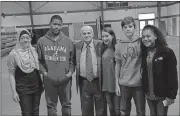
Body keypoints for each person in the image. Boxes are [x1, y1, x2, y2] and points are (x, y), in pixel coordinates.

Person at [36, 15, 75, 116]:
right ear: (50, 24)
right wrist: (45, 73)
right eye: (54, 24)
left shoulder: (68, 41)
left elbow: (72, 60)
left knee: (66, 105)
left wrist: (70, 73)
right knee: (51, 106)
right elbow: (38, 61)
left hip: (65, 80)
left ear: (61, 26)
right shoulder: (41, 41)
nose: (56, 26)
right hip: (49, 80)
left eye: (59, 24)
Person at [141, 25, 178, 116]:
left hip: (162, 95)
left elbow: (172, 75)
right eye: (143, 37)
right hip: (149, 94)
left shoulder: (167, 52)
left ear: (156, 36)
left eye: (148, 36)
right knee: (152, 113)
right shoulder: (144, 52)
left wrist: (171, 95)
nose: (145, 39)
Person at [7, 29, 43, 116]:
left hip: (36, 86)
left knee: (35, 112)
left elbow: (38, 69)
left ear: (30, 39)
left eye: (27, 37)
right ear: (19, 39)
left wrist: (42, 83)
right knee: (26, 113)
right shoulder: (13, 54)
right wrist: (14, 92)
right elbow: (11, 74)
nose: (25, 40)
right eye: (22, 38)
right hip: (23, 88)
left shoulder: (33, 51)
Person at [115, 16, 145, 116]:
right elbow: (118, 64)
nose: (128, 29)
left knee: (140, 111)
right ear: (122, 29)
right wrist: (116, 83)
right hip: (124, 84)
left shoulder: (141, 42)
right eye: (125, 27)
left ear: (134, 27)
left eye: (130, 26)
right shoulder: (118, 45)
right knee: (124, 111)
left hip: (138, 83)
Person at [74, 26, 106, 116]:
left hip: (98, 82)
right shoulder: (77, 46)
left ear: (93, 34)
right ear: (81, 35)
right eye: (84, 33)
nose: (86, 35)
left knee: (101, 110)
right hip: (84, 82)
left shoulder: (100, 44)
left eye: (89, 33)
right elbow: (72, 61)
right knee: (86, 110)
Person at [101, 27, 121, 116]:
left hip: (116, 85)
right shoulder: (102, 49)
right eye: (103, 36)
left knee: (118, 110)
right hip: (106, 85)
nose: (104, 38)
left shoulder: (117, 48)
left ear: (112, 36)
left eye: (107, 36)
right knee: (111, 108)